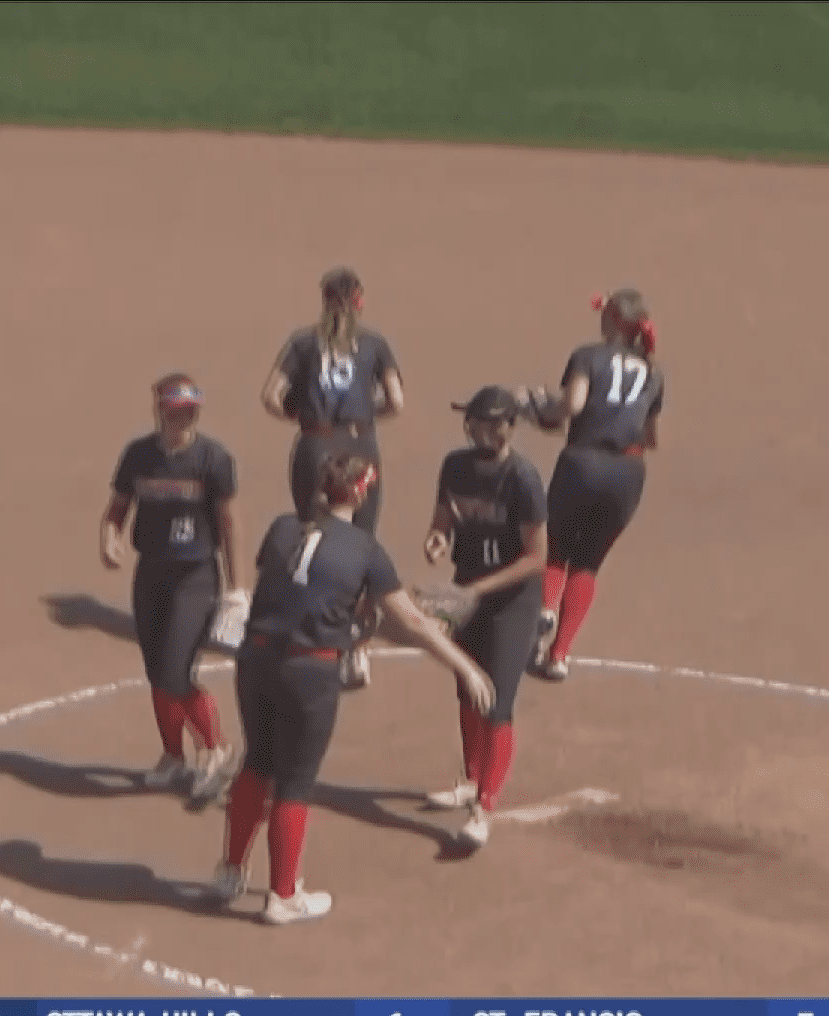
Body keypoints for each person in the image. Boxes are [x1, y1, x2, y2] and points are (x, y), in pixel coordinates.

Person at [210, 452, 495, 925]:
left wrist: (351, 625)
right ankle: (283, 895)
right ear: (361, 491)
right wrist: (465, 667)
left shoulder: (282, 528)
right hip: (309, 673)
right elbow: (416, 624)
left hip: (256, 660)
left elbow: (289, 594)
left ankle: (230, 871)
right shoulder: (365, 550)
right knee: (296, 781)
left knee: (256, 764)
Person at [100, 374, 247, 802]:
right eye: (175, 411)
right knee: (156, 675)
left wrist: (238, 589)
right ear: (160, 410)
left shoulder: (213, 460)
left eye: (190, 412)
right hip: (151, 575)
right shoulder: (138, 456)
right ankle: (172, 755)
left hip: (195, 577)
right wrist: (109, 538)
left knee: (175, 672)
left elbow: (230, 523)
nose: (182, 419)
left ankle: (216, 748)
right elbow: (116, 511)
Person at [258, 267, 406, 691]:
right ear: (360, 301)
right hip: (361, 448)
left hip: (314, 448)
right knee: (361, 544)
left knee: (314, 537)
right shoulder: (375, 344)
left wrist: (304, 415)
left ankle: (314, 635)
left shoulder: (303, 342)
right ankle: (357, 651)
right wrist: (361, 417)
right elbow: (396, 401)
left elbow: (269, 396)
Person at [419, 386, 551, 850]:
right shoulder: (455, 466)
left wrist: (477, 588)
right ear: (469, 424)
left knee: (497, 701)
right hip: (467, 592)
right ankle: (471, 779)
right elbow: (443, 521)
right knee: (467, 690)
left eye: (503, 423)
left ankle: (484, 806)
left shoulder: (523, 478)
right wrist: (437, 539)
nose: (495, 431)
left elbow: (537, 558)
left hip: (512, 601)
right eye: (486, 422)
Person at [525, 289, 665, 682]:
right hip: (628, 473)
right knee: (589, 562)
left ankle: (545, 608)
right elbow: (652, 438)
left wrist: (538, 408)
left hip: (583, 462)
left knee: (555, 547)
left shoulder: (588, 356)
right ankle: (559, 656)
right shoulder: (654, 372)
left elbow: (571, 406)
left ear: (616, 321)